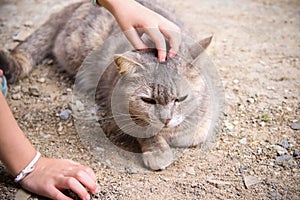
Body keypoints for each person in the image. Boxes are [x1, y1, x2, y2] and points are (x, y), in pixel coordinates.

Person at [0, 0, 181, 200]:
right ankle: (19, 63)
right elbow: (122, 106)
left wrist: (122, 4)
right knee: (87, 43)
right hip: (94, 28)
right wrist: (29, 166)